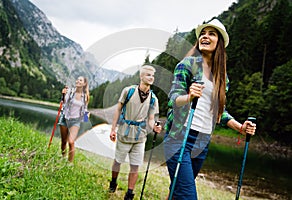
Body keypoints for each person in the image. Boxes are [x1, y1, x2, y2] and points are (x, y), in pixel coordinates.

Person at [163, 18, 256, 199]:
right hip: (180, 138)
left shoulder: (222, 77)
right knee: (188, 195)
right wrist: (189, 96)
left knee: (176, 191)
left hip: (202, 140)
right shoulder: (187, 65)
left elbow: (219, 111)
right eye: (203, 34)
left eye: (211, 34)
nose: (205, 37)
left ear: (219, 43)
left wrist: (240, 127)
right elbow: (173, 99)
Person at [109, 65, 162, 200]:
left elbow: (151, 120)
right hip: (124, 133)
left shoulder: (154, 99)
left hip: (140, 136)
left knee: (135, 166)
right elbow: (118, 110)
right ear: (141, 76)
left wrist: (154, 127)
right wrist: (113, 129)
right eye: (148, 75)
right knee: (117, 161)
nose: (151, 77)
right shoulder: (128, 91)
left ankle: (129, 194)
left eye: (153, 75)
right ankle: (113, 183)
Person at [57, 76, 90, 162]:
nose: (78, 81)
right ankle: (63, 158)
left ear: (84, 83)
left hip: (75, 121)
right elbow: (64, 101)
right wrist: (64, 94)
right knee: (64, 141)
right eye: (77, 79)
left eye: (80, 80)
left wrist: (86, 117)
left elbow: (85, 109)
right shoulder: (70, 91)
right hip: (65, 118)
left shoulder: (85, 96)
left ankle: (70, 164)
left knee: (71, 142)